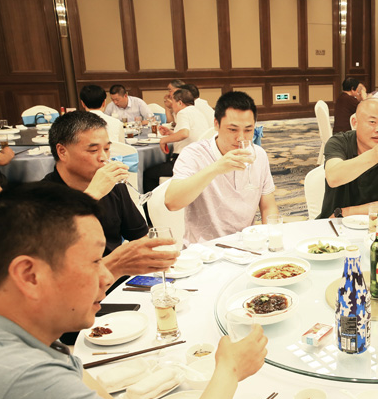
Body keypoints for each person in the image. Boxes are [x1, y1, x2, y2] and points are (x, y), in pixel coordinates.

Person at [0, 183, 268, 399]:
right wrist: (229, 369)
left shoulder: (21, 335)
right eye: (95, 261)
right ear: (29, 275)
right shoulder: (19, 377)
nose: (107, 275)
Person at [43, 111, 177, 279]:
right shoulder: (39, 199)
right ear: (62, 151)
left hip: (118, 282)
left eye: (107, 149)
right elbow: (53, 269)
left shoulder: (113, 186)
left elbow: (139, 238)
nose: (104, 157)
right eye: (93, 150)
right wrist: (93, 195)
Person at [165, 91, 279, 244]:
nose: (241, 138)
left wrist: (271, 240)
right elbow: (172, 202)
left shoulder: (258, 155)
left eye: (248, 130)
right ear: (216, 124)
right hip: (205, 250)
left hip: (246, 247)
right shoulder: (194, 154)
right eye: (232, 129)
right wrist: (216, 168)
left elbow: (268, 207)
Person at [318, 98, 378, 218]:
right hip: (333, 223)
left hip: (375, 223)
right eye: (372, 122)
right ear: (355, 122)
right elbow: (333, 178)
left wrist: (346, 212)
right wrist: (373, 156)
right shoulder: (339, 142)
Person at [144, 87, 211, 193]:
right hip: (200, 160)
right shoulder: (197, 112)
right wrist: (171, 133)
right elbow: (190, 134)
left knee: (148, 174)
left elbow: (184, 133)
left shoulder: (183, 112)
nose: (172, 105)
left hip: (185, 161)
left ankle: (153, 203)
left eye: (173, 102)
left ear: (180, 103)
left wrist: (164, 140)